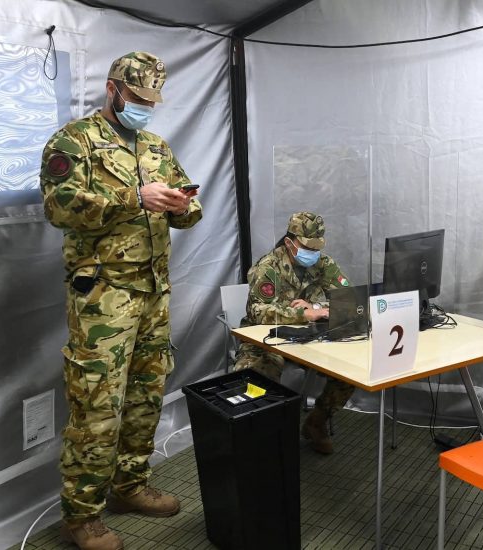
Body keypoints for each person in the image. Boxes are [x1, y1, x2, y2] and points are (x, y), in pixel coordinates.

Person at [40, 52, 201, 550]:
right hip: (103, 294)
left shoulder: (155, 146)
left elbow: (188, 206)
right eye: (136, 98)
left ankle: (129, 486)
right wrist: (136, 198)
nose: (145, 107)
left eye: (152, 100)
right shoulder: (75, 141)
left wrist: (182, 204)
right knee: (97, 402)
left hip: (154, 290)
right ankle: (82, 516)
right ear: (112, 89)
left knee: (146, 394)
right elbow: (58, 207)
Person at [233, 211, 355, 455]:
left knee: (349, 370)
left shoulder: (323, 264)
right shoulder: (268, 267)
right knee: (260, 373)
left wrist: (316, 307)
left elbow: (349, 300)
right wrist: (303, 314)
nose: (314, 253)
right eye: (308, 247)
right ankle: (263, 439)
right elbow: (258, 312)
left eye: (317, 247)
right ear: (289, 242)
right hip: (266, 338)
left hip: (309, 336)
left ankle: (316, 423)